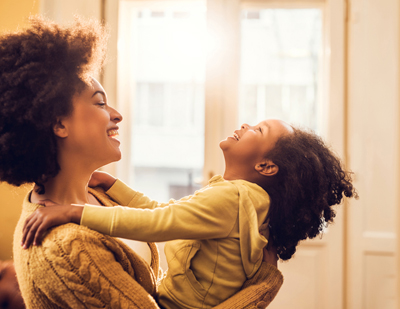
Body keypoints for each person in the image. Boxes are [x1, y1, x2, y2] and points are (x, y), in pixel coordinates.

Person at [0, 15, 283, 309]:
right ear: (59, 124)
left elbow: (162, 217)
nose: (116, 114)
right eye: (99, 103)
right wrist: (263, 287)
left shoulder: (94, 195)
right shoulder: (67, 248)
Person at [21, 119, 357, 309]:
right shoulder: (243, 200)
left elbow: (155, 223)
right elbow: (166, 211)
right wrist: (117, 186)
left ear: (265, 166)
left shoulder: (233, 198)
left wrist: (74, 213)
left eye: (257, 130)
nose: (245, 124)